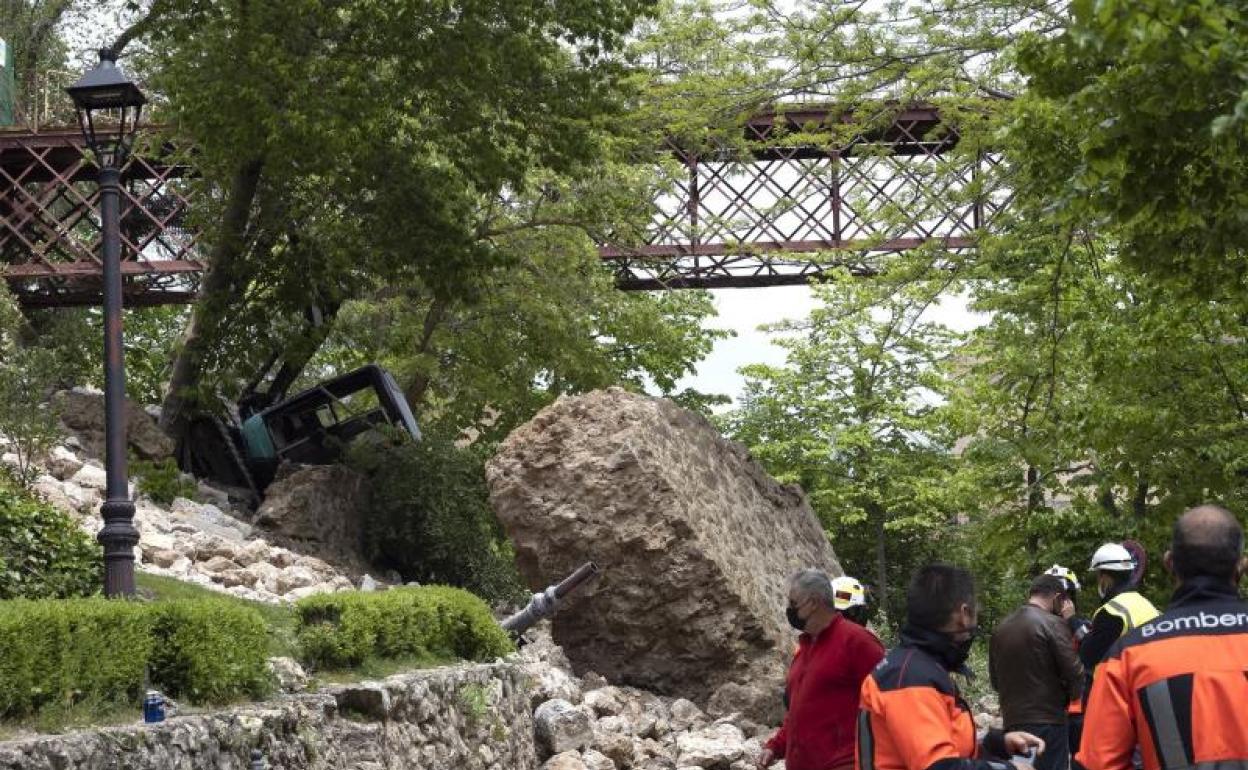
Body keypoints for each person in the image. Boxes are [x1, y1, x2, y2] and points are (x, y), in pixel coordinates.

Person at [1077, 505, 1248, 770]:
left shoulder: (1126, 656)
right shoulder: (1141, 612)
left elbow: (1098, 763)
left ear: (1169, 562)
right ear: (1241, 565)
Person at [857, 564, 1045, 770]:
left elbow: (939, 743)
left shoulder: (920, 667)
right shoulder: (911, 679)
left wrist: (996, 744)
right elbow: (938, 766)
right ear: (964, 613)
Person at [759, 569, 886, 770]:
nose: (789, 610)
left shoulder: (858, 642)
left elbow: (889, 704)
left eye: (793, 603)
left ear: (814, 602)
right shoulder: (805, 649)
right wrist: (776, 746)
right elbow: (799, 711)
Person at [989, 574, 1084, 770]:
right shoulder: (1053, 623)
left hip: (1012, 723)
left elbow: (995, 681)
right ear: (1058, 598)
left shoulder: (1000, 628)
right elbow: (1075, 672)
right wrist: (1070, 696)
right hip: (1048, 720)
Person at [1079, 543, 1159, 682]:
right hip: (1148, 682)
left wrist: (1076, 625)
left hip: (1122, 690)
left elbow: (1087, 657)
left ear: (1105, 577)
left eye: (1098, 576)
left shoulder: (1112, 612)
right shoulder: (1146, 605)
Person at [1043, 564, 1091, 759]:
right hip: (1049, 711)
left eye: (1066, 596)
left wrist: (1072, 621)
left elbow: (1092, 648)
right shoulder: (1037, 627)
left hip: (1080, 708)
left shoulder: (1082, 626)